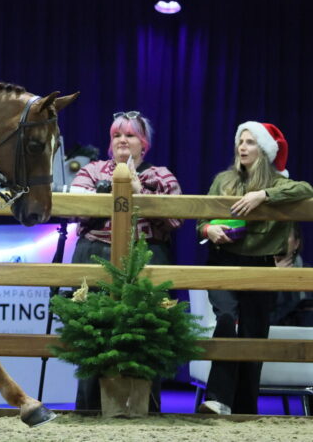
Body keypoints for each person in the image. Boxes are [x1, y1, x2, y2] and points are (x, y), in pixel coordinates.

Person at [69, 111, 183, 412]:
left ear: (143, 144)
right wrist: (109, 194)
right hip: (95, 254)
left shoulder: (160, 175)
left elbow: (175, 217)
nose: (122, 140)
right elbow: (75, 209)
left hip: (146, 256)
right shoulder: (92, 170)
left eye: (130, 135)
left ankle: (146, 407)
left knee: (147, 332)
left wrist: (139, 192)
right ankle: (89, 407)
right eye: (117, 135)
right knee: (92, 332)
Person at [197, 121, 313, 415]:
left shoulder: (279, 183)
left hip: (261, 265)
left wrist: (264, 196)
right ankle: (217, 399)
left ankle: (245, 410)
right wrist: (209, 229)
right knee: (225, 317)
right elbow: (200, 219)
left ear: (264, 150)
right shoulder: (223, 180)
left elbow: (306, 189)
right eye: (241, 141)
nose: (242, 147)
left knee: (253, 334)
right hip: (223, 260)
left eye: (250, 142)